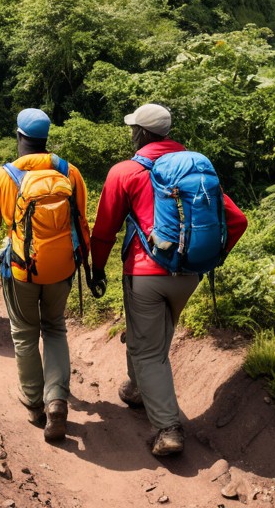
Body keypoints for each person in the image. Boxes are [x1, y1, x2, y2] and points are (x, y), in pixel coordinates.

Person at [90, 103, 249, 457]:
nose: (132, 134)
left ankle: (168, 428)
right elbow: (236, 220)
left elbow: (103, 232)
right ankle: (136, 389)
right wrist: (211, 258)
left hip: (146, 273)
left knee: (149, 351)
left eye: (134, 129)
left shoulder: (125, 172)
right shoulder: (194, 168)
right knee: (153, 337)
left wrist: (96, 268)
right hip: (190, 273)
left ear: (142, 134)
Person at [0, 109, 90, 443]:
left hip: (21, 270)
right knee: (54, 328)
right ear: (45, 138)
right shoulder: (70, 173)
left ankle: (35, 404)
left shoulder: (0, 177)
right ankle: (57, 401)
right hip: (62, 268)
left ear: (19, 136)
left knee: (24, 333)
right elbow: (82, 224)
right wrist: (86, 266)